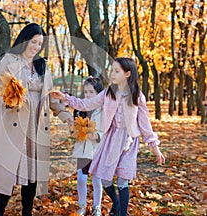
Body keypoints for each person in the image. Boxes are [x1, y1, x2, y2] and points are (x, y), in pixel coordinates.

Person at [51, 57, 166, 216]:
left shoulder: (137, 96)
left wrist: (155, 149)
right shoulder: (107, 93)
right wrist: (65, 98)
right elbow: (86, 104)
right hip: (111, 139)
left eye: (117, 71)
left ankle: (122, 213)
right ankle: (116, 203)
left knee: (122, 180)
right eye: (112, 70)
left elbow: (145, 125)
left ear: (127, 74)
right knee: (105, 180)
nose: (112, 74)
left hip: (129, 141)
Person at [0, 23, 73, 216]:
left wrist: (66, 116)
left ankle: (27, 212)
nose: (36, 46)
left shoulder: (42, 66)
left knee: (32, 174)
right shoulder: (8, 61)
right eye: (33, 42)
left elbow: (52, 99)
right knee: (8, 172)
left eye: (39, 43)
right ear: (25, 40)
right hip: (13, 128)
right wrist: (13, 99)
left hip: (36, 129)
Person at [72, 77, 104, 216]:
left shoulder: (103, 110)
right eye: (86, 92)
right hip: (82, 148)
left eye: (91, 92)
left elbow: (107, 129)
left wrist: (97, 136)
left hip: (97, 149)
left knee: (97, 180)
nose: (88, 95)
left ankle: (97, 206)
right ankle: (82, 205)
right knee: (81, 178)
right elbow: (74, 128)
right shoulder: (80, 109)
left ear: (98, 93)